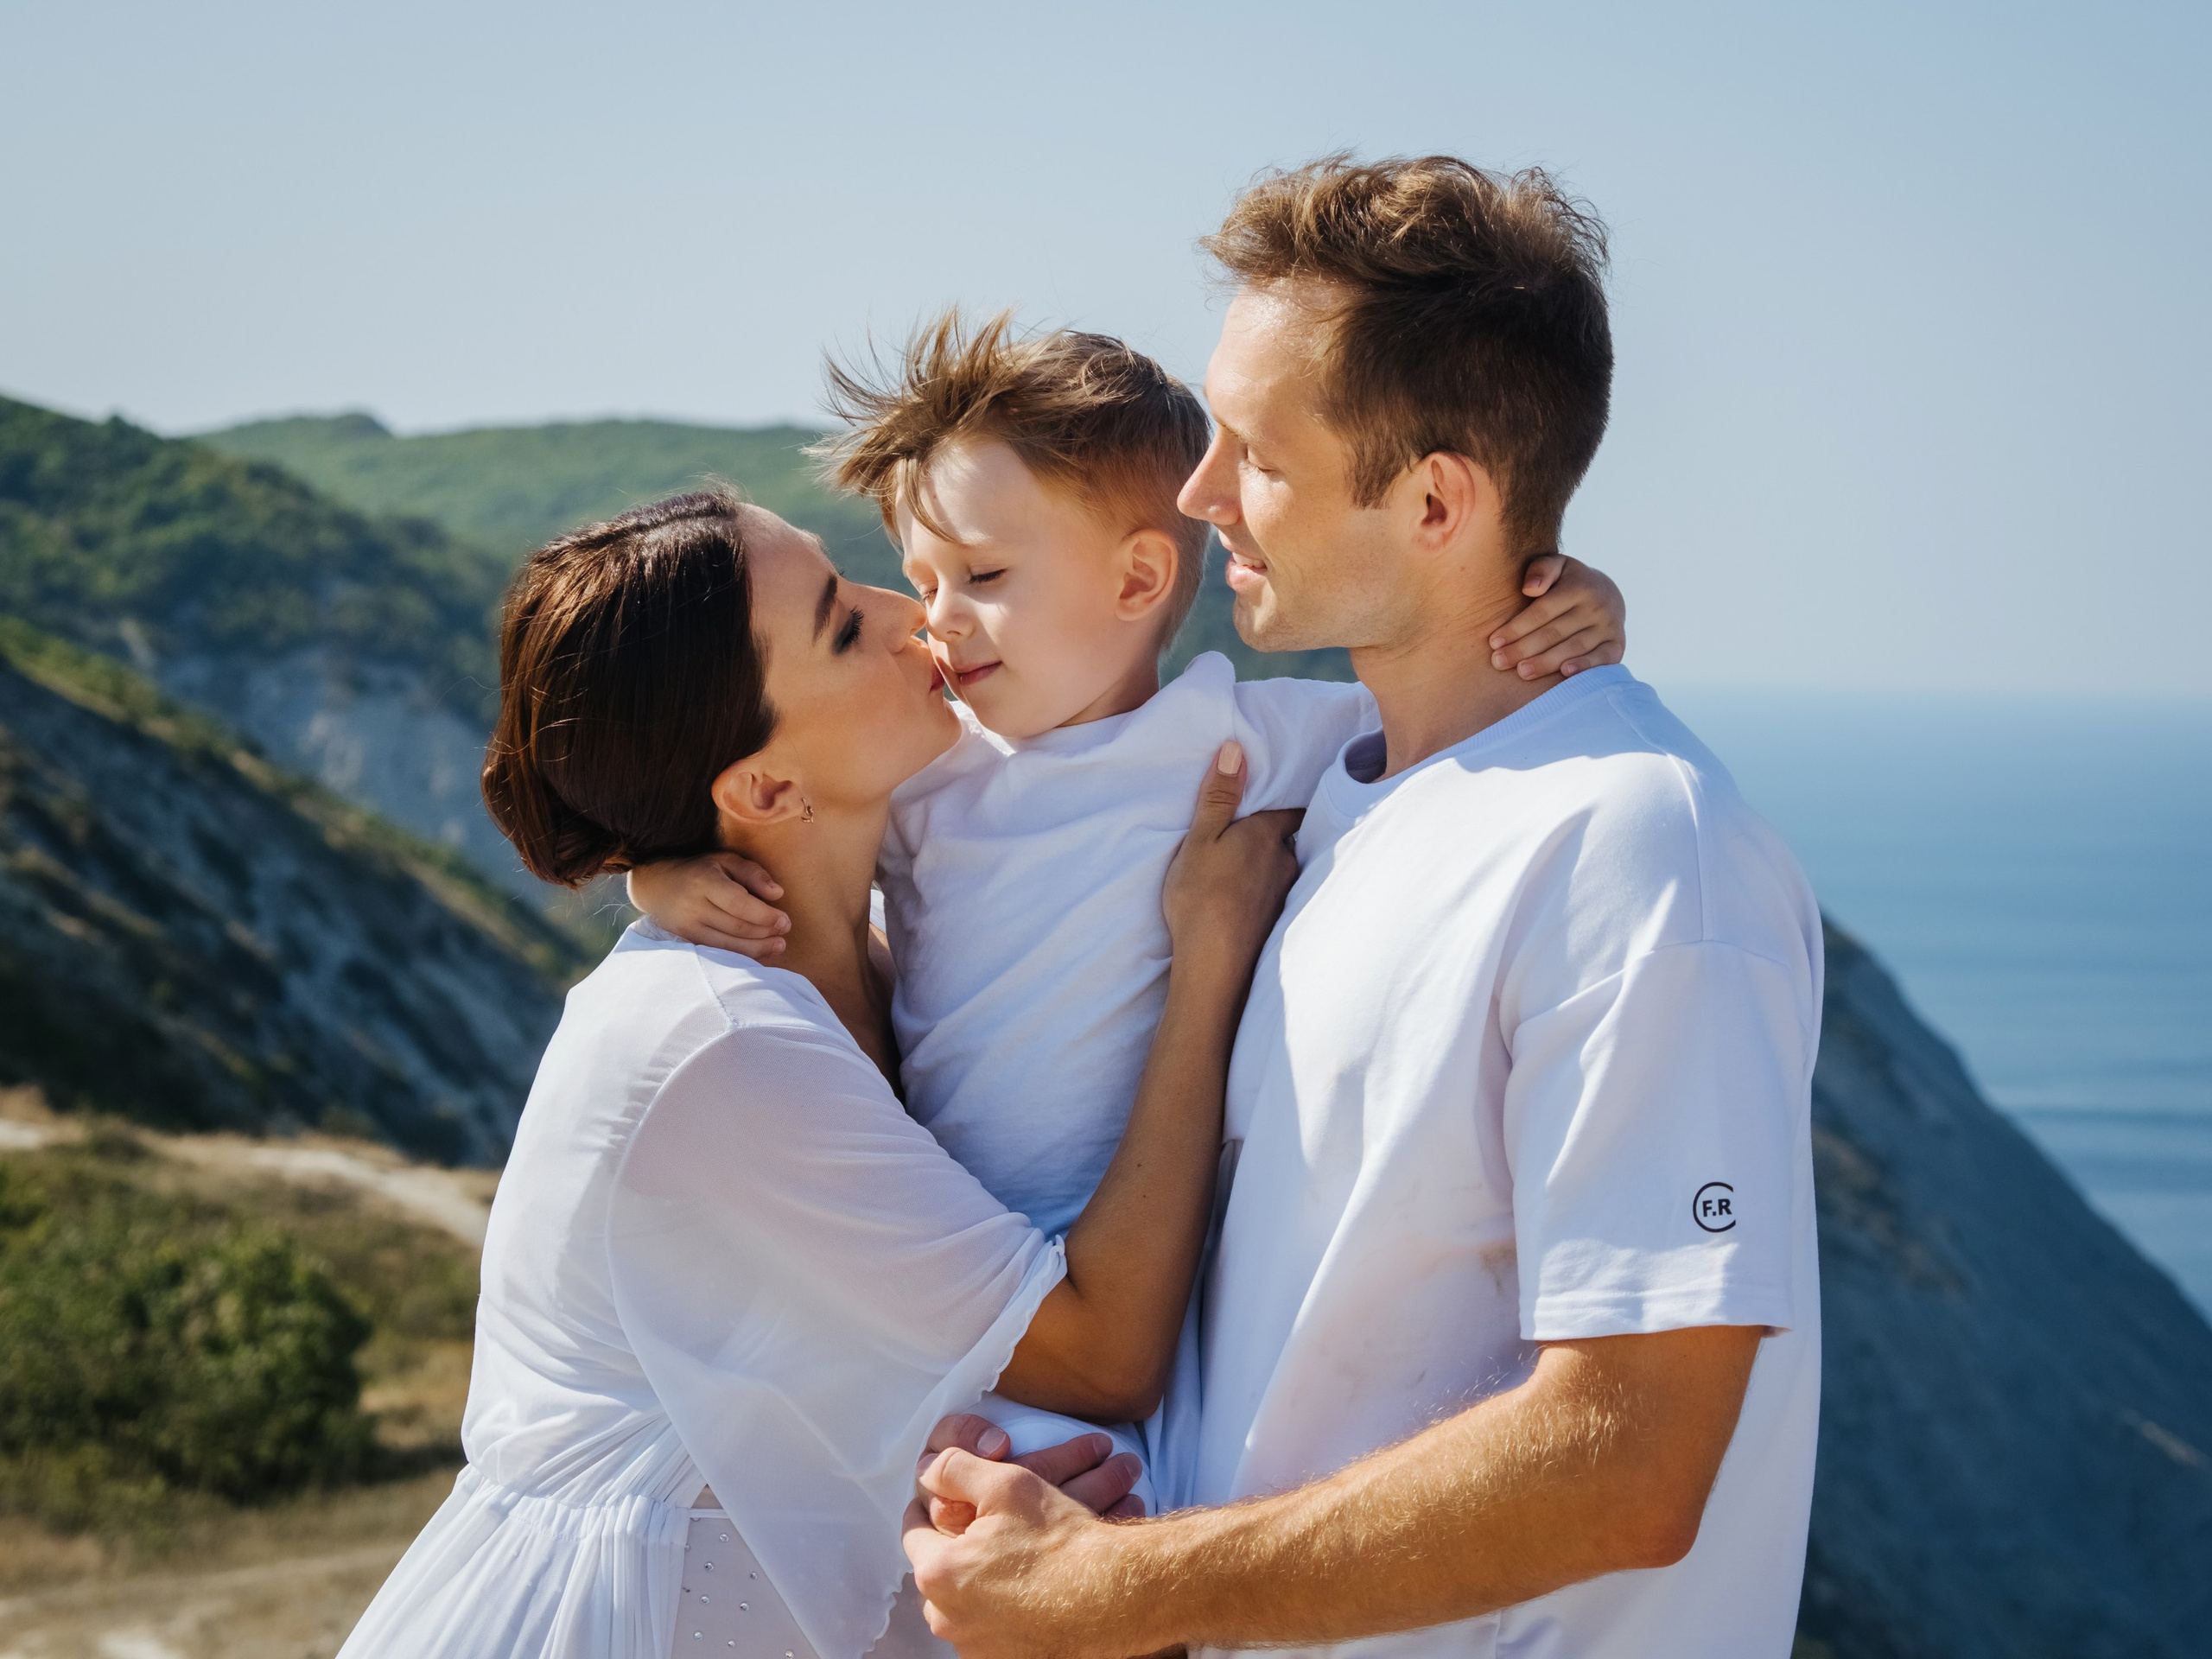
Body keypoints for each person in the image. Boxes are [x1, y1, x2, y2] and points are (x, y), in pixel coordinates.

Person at [904, 155, 1824, 1659]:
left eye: (1255, 453)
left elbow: (1633, 1462)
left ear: (1438, 499)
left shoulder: (1638, 848)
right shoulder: (1316, 806)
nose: (1201, 496)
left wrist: (1114, 1592)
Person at [630, 314, 1629, 1509]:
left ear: (1140, 577)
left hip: (1148, 1283)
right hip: (971, 1279)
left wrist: (1579, 601)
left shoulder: (1251, 743)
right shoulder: (922, 776)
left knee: (1103, 1557)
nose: (938, 619)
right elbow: (788, 842)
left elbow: (1470, 706)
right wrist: (659, 877)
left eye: (986, 579)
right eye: (925, 580)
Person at [334, 491, 1302, 1659]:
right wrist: (1208, 960)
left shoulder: (879, 942)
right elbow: (1104, 1355)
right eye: (844, 626)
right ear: (768, 793)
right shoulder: (717, 1039)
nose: (913, 615)